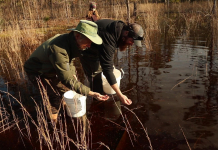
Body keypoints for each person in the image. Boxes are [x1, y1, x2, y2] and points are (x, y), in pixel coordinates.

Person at [24, 20, 109, 123]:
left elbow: (69, 60)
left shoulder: (71, 42)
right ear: (78, 36)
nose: (89, 45)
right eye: (88, 41)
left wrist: (71, 73)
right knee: (54, 97)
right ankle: (53, 125)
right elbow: (65, 78)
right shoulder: (58, 48)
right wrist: (92, 93)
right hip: (37, 71)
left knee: (66, 90)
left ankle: (66, 108)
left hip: (51, 69)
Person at [80, 19, 144, 106]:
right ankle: (97, 102)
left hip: (99, 48)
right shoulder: (109, 37)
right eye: (132, 41)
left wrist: (109, 64)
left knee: (107, 69)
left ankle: (99, 96)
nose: (132, 44)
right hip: (87, 49)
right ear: (126, 33)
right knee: (96, 77)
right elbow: (107, 69)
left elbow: (107, 54)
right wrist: (120, 95)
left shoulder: (119, 29)